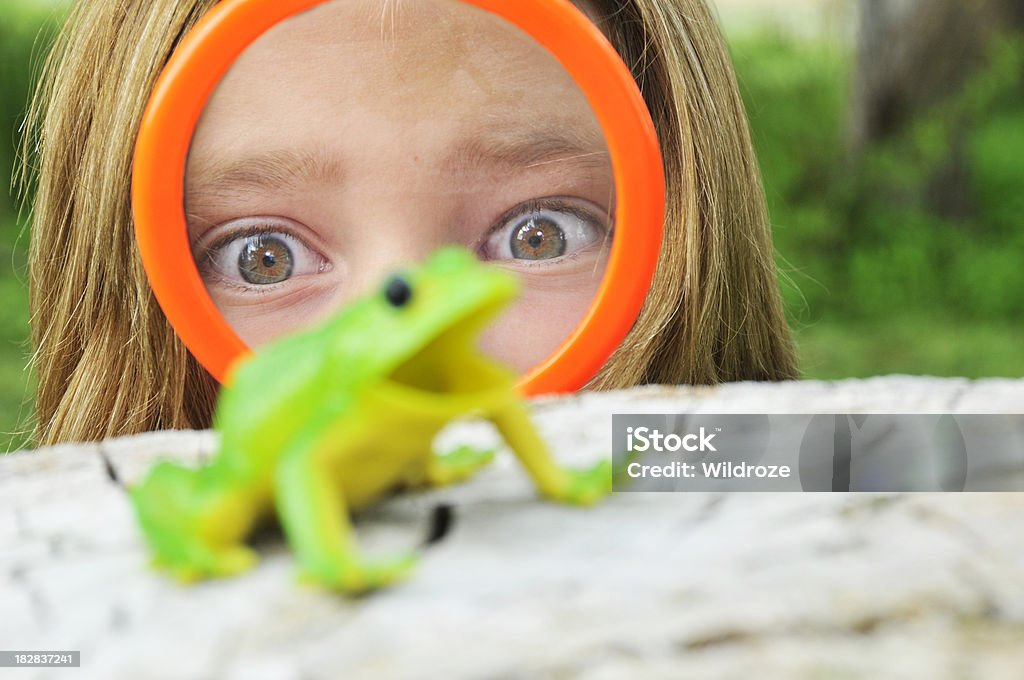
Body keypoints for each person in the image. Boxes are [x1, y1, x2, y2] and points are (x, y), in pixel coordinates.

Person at [22, 0, 798, 447]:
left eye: (541, 234)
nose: (401, 361)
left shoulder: (823, 472)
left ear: (693, 237)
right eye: (266, 257)